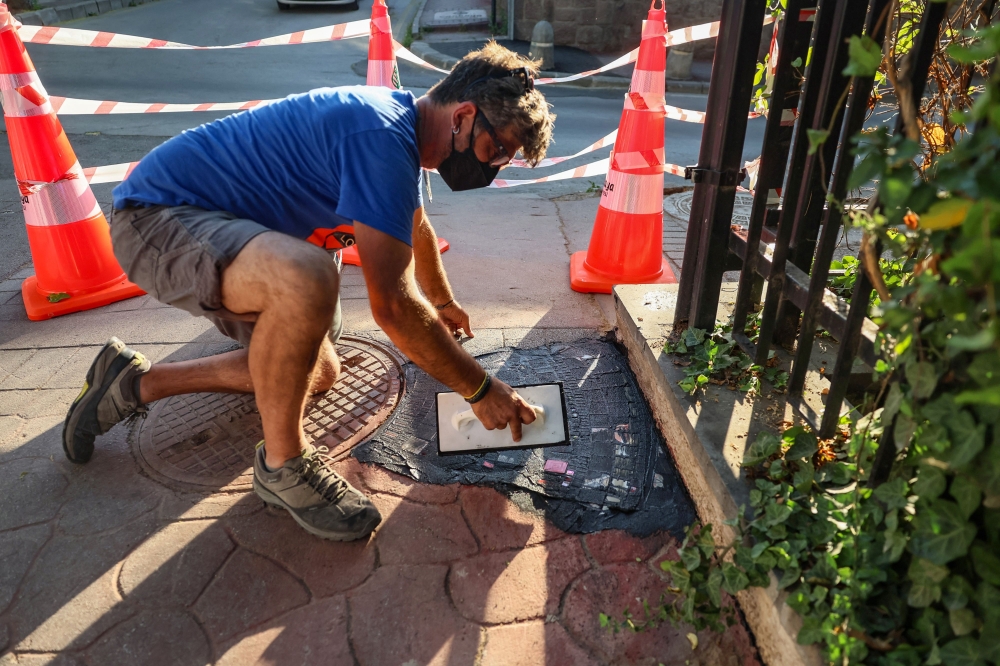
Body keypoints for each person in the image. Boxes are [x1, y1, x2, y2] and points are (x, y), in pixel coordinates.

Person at [61, 42, 555, 542]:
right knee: (312, 277)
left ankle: (131, 384)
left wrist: (444, 303)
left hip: (227, 231)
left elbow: (415, 225)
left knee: (317, 369)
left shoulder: (397, 129)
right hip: (158, 219)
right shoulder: (382, 136)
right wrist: (479, 388)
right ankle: (283, 467)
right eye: (496, 151)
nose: (491, 169)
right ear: (464, 116)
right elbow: (393, 306)